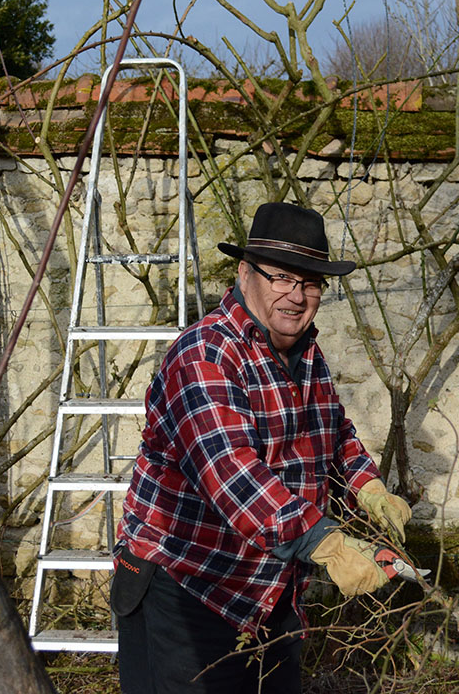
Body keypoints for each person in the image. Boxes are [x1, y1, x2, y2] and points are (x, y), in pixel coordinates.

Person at [111, 201, 412, 694]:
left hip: (270, 590)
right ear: (243, 272)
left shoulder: (305, 353)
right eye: (281, 277)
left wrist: (368, 485)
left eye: (311, 282)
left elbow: (333, 432)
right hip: (187, 585)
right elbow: (233, 476)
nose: (296, 295)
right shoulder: (204, 355)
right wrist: (329, 544)